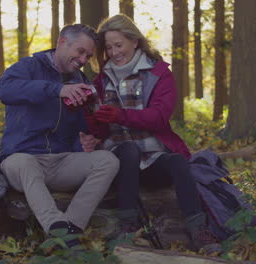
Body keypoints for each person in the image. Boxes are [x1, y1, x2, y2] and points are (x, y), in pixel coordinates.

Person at [85, 14, 220, 252]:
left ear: (134, 41)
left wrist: (121, 115)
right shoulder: (101, 80)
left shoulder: (158, 74)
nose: (114, 52)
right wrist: (90, 122)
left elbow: (159, 117)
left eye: (119, 45)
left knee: (178, 162)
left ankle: (199, 230)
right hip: (117, 160)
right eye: (108, 48)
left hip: (151, 158)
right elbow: (97, 127)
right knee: (127, 150)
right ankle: (128, 227)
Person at [0, 24, 119, 247]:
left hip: (60, 162)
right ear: (62, 42)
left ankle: (72, 227)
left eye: (88, 55)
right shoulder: (29, 66)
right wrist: (56, 89)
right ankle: (56, 228)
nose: (83, 59)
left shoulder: (81, 81)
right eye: (80, 51)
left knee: (107, 161)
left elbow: (80, 130)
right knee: (25, 163)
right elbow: (6, 90)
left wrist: (82, 142)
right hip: (21, 160)